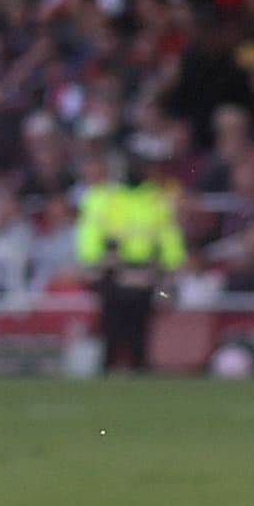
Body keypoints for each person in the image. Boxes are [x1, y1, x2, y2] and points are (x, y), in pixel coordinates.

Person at [74, 148, 184, 378]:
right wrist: (94, 263)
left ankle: (136, 371)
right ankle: (109, 368)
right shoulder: (106, 197)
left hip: (146, 271)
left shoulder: (156, 199)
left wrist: (170, 268)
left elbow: (169, 236)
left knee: (139, 331)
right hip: (113, 270)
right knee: (112, 329)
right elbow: (90, 234)